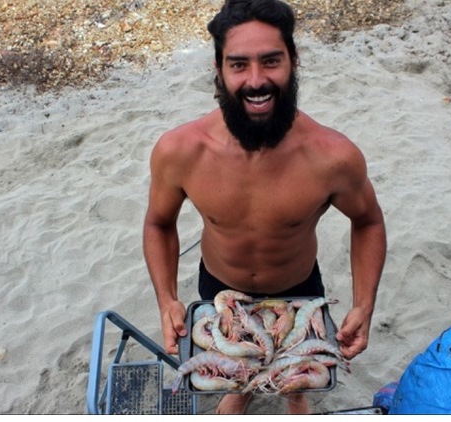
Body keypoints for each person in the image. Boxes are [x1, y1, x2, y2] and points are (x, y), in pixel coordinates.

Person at [143, 0, 386, 414]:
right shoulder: (179, 151)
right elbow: (158, 224)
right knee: (235, 358)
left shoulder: (333, 156)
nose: (256, 81)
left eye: (271, 61)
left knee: (296, 371)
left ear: (293, 61)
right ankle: (241, 388)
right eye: (239, 64)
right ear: (219, 69)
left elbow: (368, 221)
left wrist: (364, 304)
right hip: (218, 285)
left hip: (299, 286)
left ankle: (295, 394)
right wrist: (166, 299)